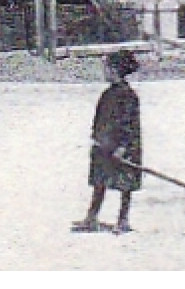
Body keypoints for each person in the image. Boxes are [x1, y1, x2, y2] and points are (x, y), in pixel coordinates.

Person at [73, 49, 142, 234]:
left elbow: (129, 124)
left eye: (108, 69)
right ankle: (92, 217)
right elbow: (101, 119)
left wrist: (122, 147)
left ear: (116, 71)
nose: (105, 72)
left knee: (125, 183)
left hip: (123, 147)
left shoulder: (128, 96)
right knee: (100, 180)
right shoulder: (108, 94)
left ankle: (123, 219)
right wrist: (96, 138)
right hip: (105, 144)